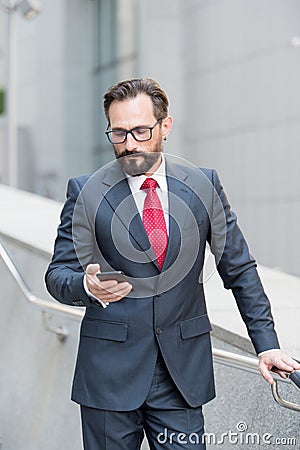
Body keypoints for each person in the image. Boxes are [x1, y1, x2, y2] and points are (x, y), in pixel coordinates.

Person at [45, 78, 300, 450]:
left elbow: (239, 268)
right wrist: (87, 287)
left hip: (181, 376)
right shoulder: (85, 191)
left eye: (140, 131)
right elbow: (57, 274)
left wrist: (266, 344)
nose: (129, 143)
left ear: (165, 126)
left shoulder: (203, 185)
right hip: (109, 378)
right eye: (118, 133)